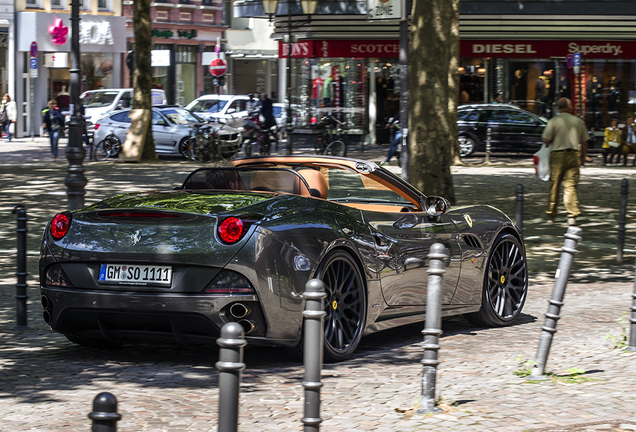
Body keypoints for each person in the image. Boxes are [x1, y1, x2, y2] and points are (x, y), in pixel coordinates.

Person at [541, 97, 589, 226]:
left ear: (558, 108)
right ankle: (571, 215)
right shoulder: (578, 121)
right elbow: (584, 142)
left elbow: (545, 139)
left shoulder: (553, 121)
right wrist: (583, 157)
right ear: (569, 107)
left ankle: (551, 214)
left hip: (557, 155)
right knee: (570, 186)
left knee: (554, 185)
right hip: (573, 155)